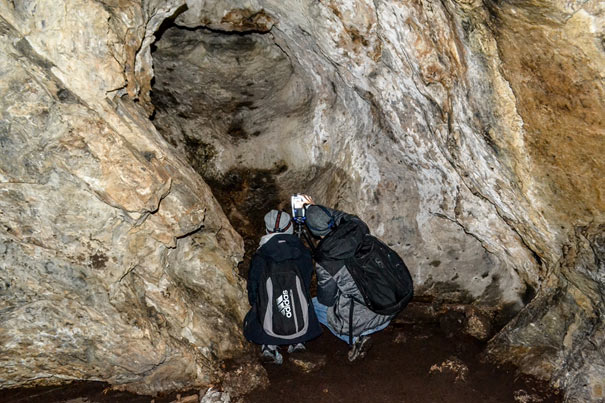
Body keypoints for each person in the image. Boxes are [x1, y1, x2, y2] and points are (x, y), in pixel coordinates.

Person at [304, 202, 394, 361]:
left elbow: (326, 300)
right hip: (388, 308)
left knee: (312, 305)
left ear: (314, 232)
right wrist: (317, 209)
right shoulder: (359, 227)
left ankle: (355, 339)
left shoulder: (325, 261)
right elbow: (345, 217)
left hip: (366, 321)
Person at [243, 209, 322, 364]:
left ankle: (269, 345)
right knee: (304, 300)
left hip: (269, 319)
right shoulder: (302, 252)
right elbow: (306, 282)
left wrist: (255, 303)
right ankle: (298, 341)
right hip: (300, 317)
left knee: (261, 307)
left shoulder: (261, 255)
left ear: (267, 229)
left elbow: (254, 287)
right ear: (290, 228)